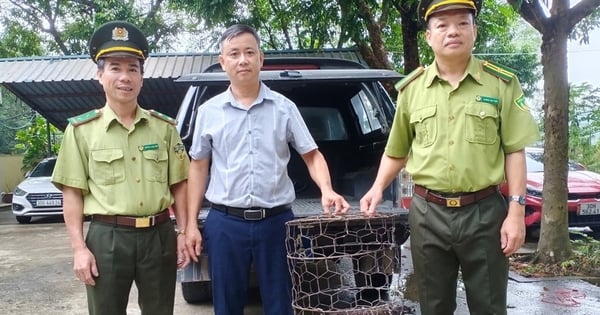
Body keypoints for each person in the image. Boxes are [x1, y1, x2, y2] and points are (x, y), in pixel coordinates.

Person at [359, 1, 539, 314]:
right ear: (429, 36)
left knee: (489, 306)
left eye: (462, 23)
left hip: (484, 214)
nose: (452, 31)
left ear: (475, 31)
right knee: (434, 306)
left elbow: (515, 151)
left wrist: (516, 212)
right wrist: (376, 187)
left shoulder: (501, 84)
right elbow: (397, 150)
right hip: (428, 214)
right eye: (442, 25)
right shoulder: (412, 89)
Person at [184, 24, 350, 315]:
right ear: (223, 62)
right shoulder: (208, 112)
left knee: (281, 305)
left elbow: (311, 155)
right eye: (234, 54)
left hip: (276, 223)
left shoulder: (284, 108)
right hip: (225, 223)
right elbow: (198, 167)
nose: (242, 60)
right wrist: (189, 225)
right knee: (226, 306)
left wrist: (327, 189)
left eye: (249, 52)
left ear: (261, 58)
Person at [51, 20, 190, 315]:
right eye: (115, 67)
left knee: (160, 310)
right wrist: (79, 248)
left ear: (142, 77)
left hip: (159, 234)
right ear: (100, 75)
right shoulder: (81, 131)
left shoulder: (163, 128)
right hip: (106, 237)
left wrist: (184, 232)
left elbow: (180, 184)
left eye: (132, 69)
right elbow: (72, 193)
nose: (124, 77)